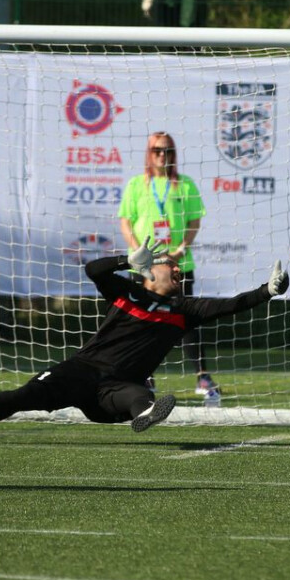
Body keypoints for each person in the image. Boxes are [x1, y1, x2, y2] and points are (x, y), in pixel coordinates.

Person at [0, 238, 290, 442]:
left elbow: (232, 305)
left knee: (142, 396)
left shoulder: (185, 309)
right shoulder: (126, 291)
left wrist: (267, 291)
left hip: (115, 390)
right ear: (151, 272)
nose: (179, 270)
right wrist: (126, 261)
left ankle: (144, 413)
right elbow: (93, 270)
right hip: (81, 371)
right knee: (21, 397)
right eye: (172, 266)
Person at [118, 131, 215, 396]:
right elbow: (126, 221)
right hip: (143, 267)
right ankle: (144, 376)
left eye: (168, 151)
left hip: (177, 265)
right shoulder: (137, 185)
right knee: (141, 322)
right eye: (157, 151)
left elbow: (195, 221)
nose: (163, 155)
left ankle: (203, 378)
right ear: (148, 154)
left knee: (186, 319)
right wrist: (140, 252)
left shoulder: (185, 185)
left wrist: (180, 251)